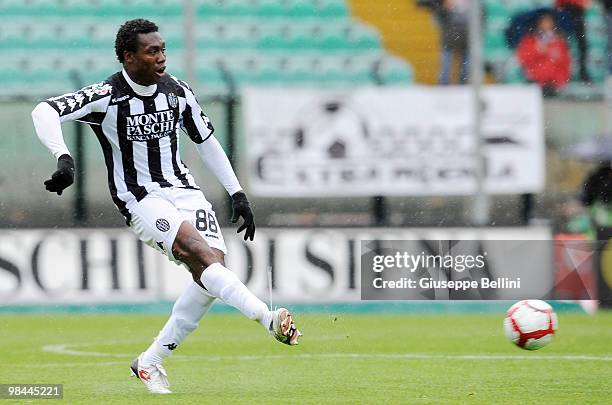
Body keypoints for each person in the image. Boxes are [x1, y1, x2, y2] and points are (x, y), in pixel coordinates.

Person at [31, 19, 301, 395]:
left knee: (210, 273)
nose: (161, 58)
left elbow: (205, 140)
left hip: (185, 191)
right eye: (151, 51)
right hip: (140, 199)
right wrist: (63, 156)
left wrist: (237, 192)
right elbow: (43, 110)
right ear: (128, 56)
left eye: (163, 50)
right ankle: (266, 317)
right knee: (198, 253)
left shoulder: (177, 91)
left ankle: (149, 362)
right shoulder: (108, 94)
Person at [517, 13, 571, 96]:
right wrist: (538, 51)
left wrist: (560, 80)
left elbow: (565, 62)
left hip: (554, 85)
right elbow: (523, 59)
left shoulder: (559, 41)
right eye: (544, 22)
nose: (546, 25)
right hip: (535, 83)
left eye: (549, 22)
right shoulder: (530, 40)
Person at [556, 0, 591, 82]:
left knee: (581, 44)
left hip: (576, 10)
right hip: (566, 10)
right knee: (564, 44)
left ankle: (582, 71)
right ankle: (565, 73)